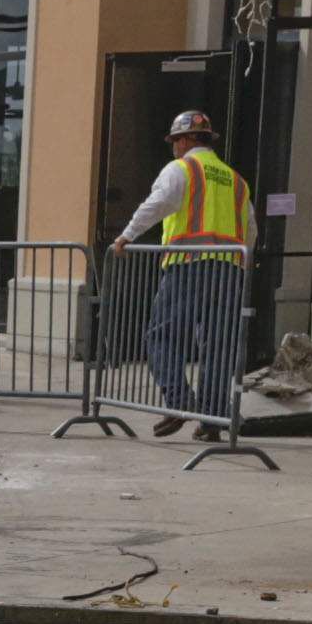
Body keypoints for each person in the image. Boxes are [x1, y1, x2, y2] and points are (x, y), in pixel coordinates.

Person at [112, 108, 252, 437]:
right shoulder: (236, 180)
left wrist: (126, 236)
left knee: (161, 336)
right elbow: (251, 229)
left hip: (188, 267)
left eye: (176, 140)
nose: (174, 146)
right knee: (217, 346)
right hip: (229, 272)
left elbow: (157, 204)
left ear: (188, 139)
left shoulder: (182, 169)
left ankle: (178, 402)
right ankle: (212, 422)